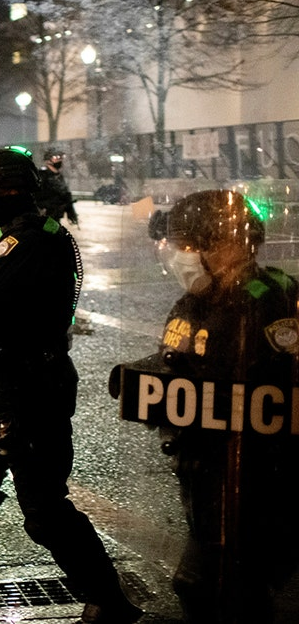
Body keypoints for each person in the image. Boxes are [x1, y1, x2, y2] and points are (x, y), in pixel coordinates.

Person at [0, 147, 141, 624]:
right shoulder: (3, 237)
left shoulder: (33, 240)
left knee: (44, 510)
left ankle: (109, 600)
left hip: (30, 388)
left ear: (3, 190)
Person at [132, 190, 299, 622]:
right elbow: (174, 366)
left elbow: (273, 396)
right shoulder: (195, 302)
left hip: (254, 478)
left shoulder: (269, 301)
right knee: (214, 587)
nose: (180, 259)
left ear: (228, 244)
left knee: (215, 585)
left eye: (190, 247)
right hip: (203, 473)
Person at [36, 149, 79, 226]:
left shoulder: (58, 176)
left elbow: (64, 193)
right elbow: (37, 195)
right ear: (48, 161)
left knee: (55, 232)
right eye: (56, 158)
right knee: (49, 234)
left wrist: (70, 210)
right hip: (46, 215)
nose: (60, 160)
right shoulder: (42, 175)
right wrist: (48, 206)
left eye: (61, 158)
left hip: (56, 215)